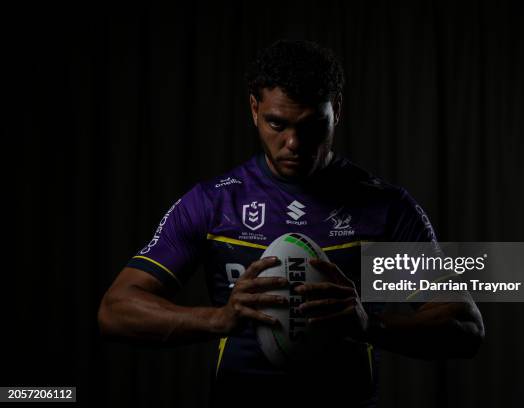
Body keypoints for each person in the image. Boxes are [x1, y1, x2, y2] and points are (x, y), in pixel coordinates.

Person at [98, 39, 484, 407]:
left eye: (312, 125)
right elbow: (116, 310)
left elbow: (466, 327)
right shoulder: (215, 203)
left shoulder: (385, 209)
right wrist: (217, 318)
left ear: (337, 110)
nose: (294, 143)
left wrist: (371, 326)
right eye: (277, 124)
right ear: (253, 109)